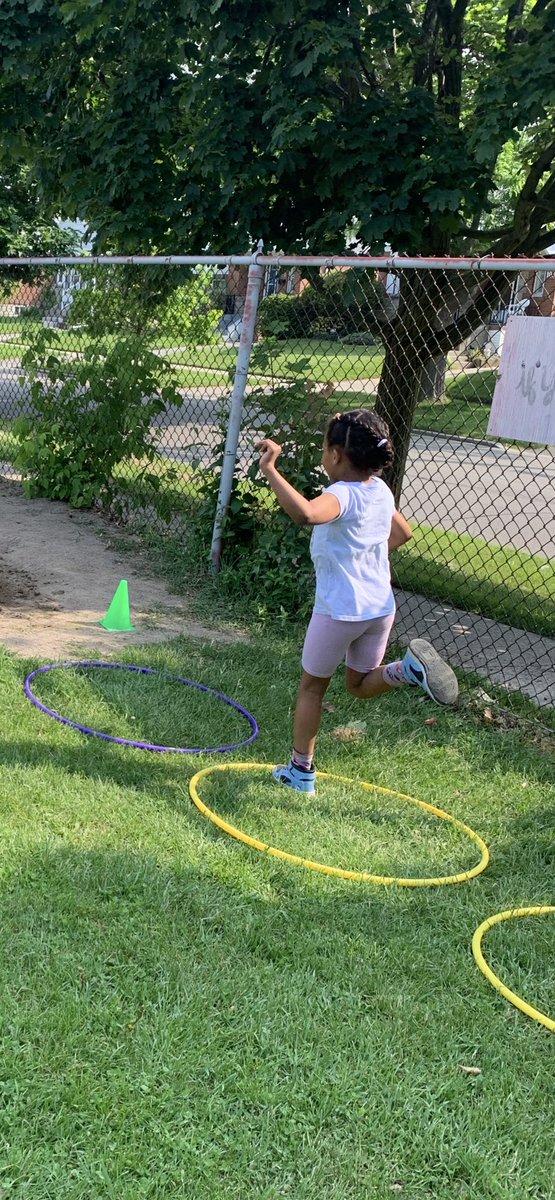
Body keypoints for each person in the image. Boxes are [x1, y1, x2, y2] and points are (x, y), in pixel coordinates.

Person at [257, 408, 458, 795]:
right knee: (359, 684)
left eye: (324, 449)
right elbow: (403, 533)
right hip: (379, 607)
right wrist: (365, 555)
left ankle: (301, 773)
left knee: (312, 688)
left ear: (334, 455)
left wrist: (270, 468)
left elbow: (306, 514)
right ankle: (408, 670)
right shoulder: (379, 491)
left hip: (339, 611)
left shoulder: (340, 495)